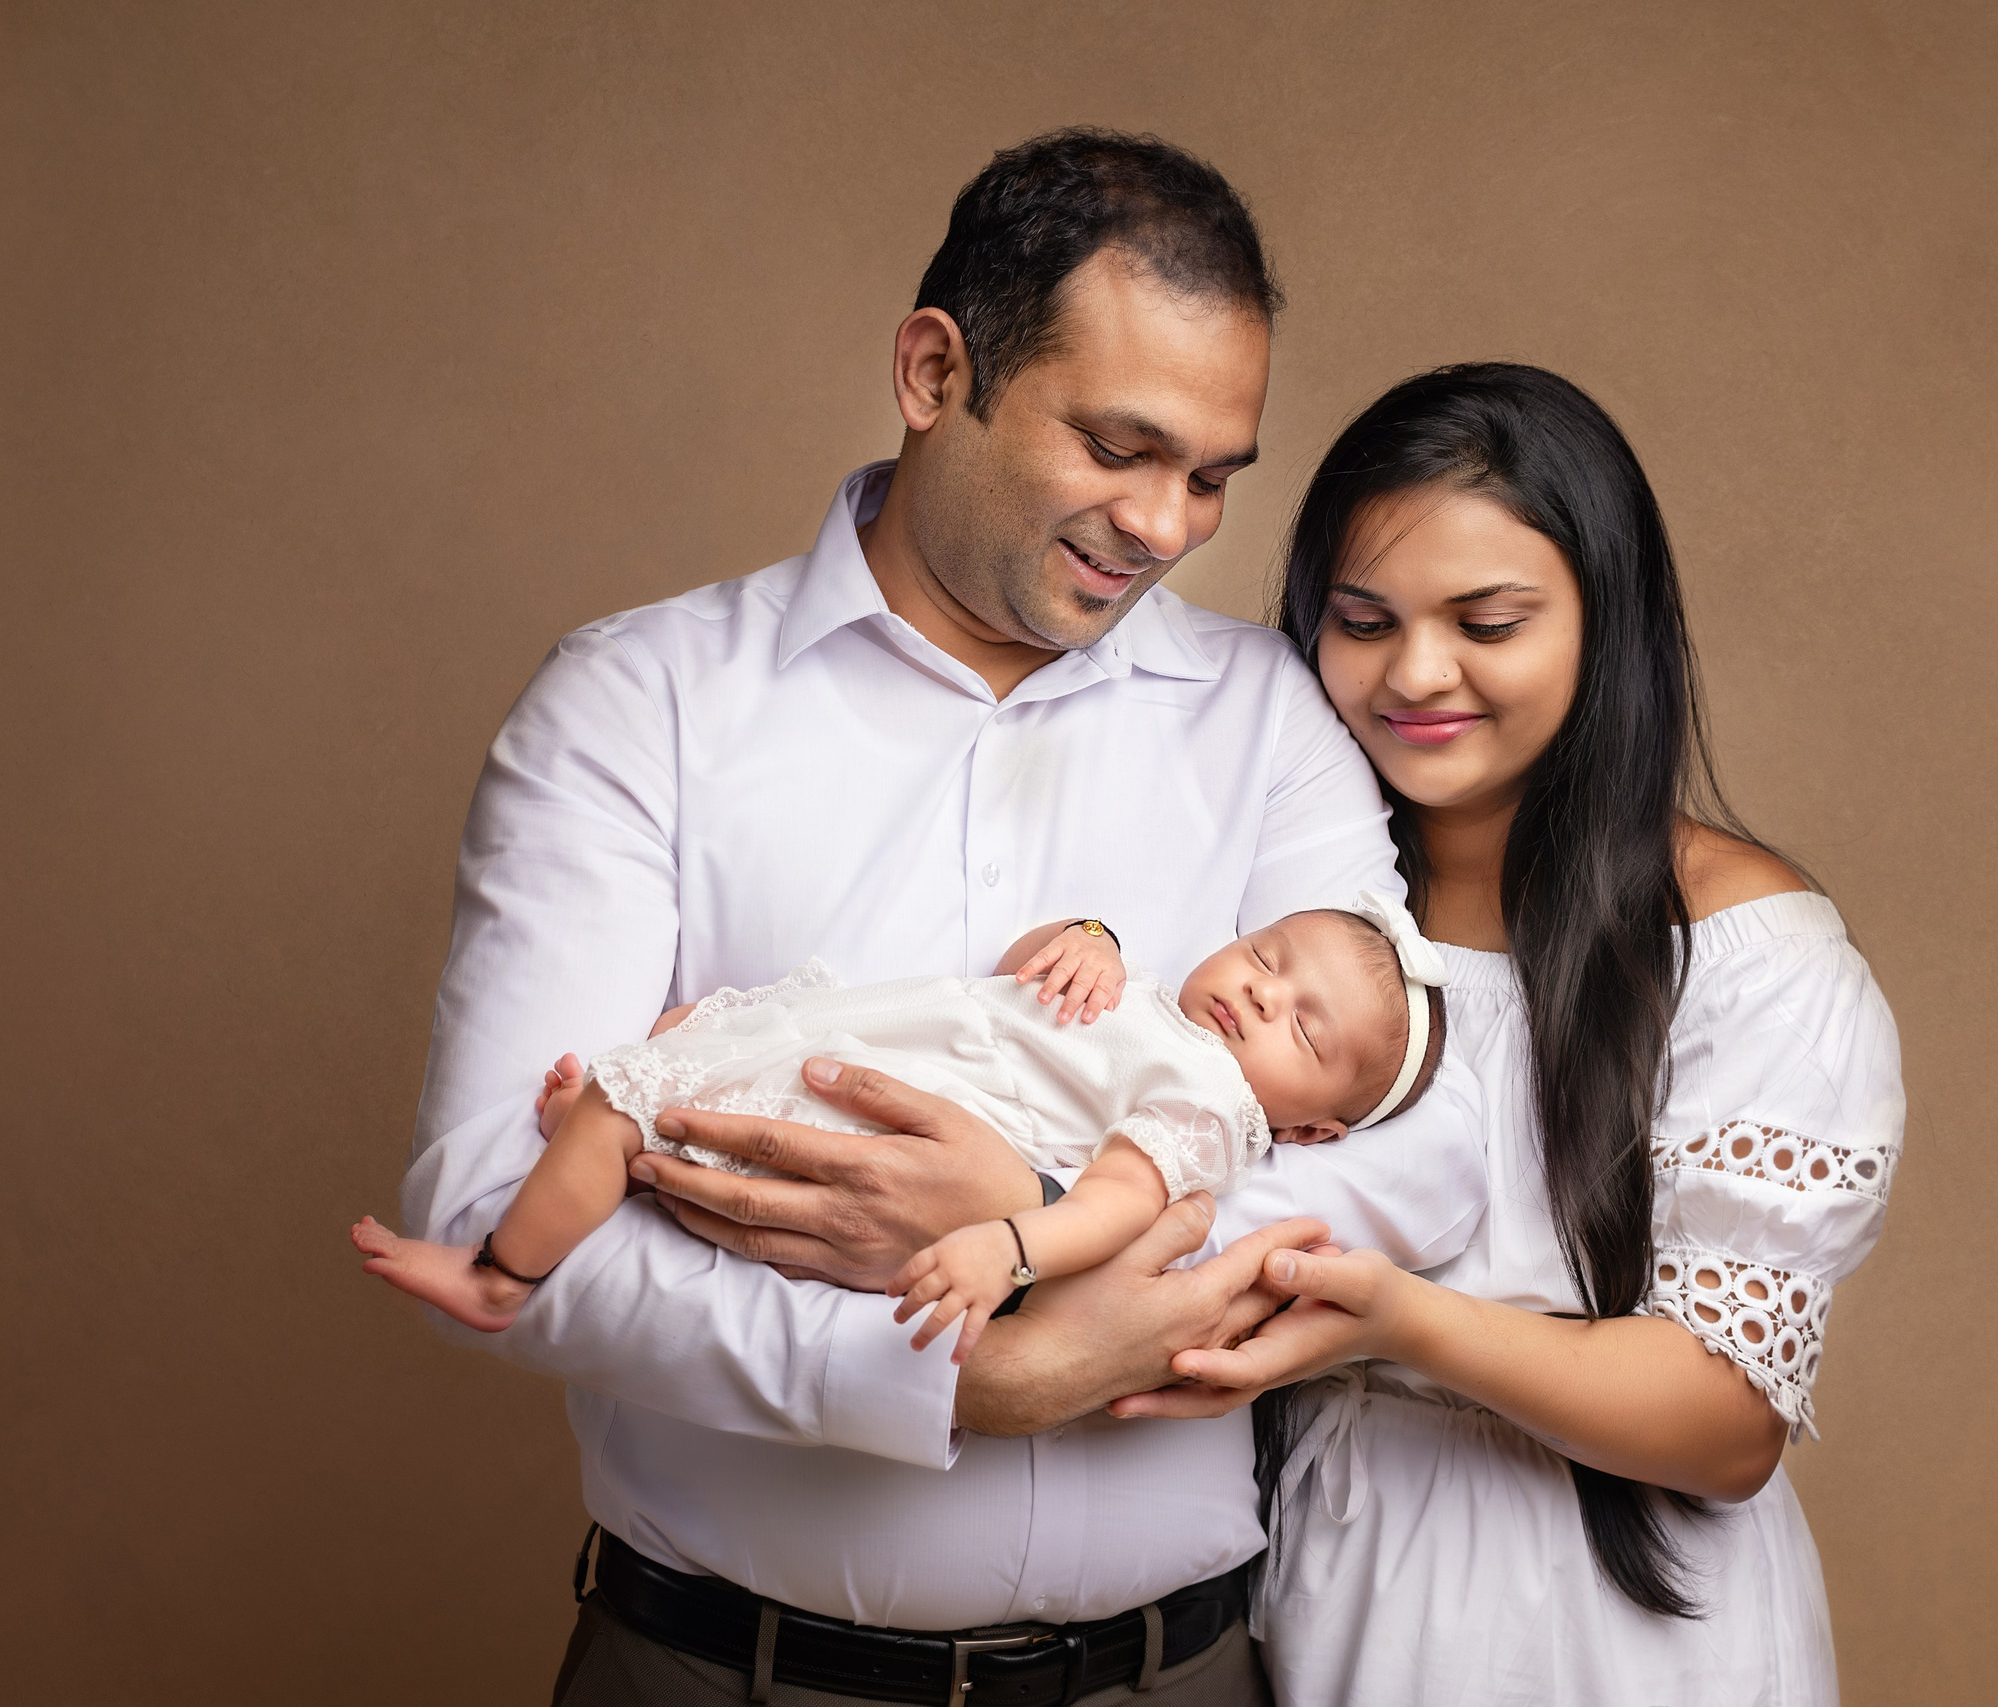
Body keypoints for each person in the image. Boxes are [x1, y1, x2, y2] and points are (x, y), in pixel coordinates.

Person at [394, 129, 1489, 1705]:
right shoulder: (639, 706)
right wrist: (968, 1368)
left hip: (1177, 1675)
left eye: (1210, 476)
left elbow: (1418, 1153)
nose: (1170, 524)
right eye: (1120, 448)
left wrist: (1040, 1220)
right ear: (932, 370)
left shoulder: (1272, 718)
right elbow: (484, 1199)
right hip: (725, 1674)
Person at [1114, 363, 1904, 1705]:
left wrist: (1398, 1318)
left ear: (1608, 624)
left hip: (1610, 1625)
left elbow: (1724, 1421)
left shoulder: (1742, 948)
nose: (1417, 672)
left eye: (1489, 621)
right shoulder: (1298, 922)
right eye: (1363, 620)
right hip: (1317, 1579)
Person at [358, 900, 1448, 1360]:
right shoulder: (1160, 1003)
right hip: (876, 1042)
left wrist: (1010, 1244)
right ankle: (616, 1145)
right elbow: (1029, 975)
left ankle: (506, 1271)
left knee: (640, 1104)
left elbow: (1120, 1200)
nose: (1260, 997)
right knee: (690, 1031)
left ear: (1306, 1131)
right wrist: (1086, 935)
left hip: (885, 1108)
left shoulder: (1209, 1107)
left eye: (1301, 1029)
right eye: (1265, 957)